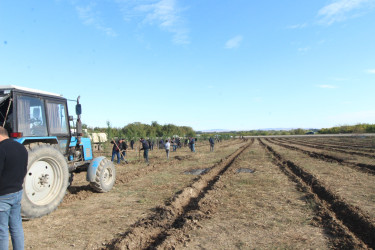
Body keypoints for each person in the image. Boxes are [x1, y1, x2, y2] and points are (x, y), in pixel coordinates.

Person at [0, 126, 28, 250]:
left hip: (3, 196)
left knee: (2, 231)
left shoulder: (1, 149)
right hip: (17, 192)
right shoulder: (21, 147)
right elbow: (24, 170)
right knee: (16, 227)